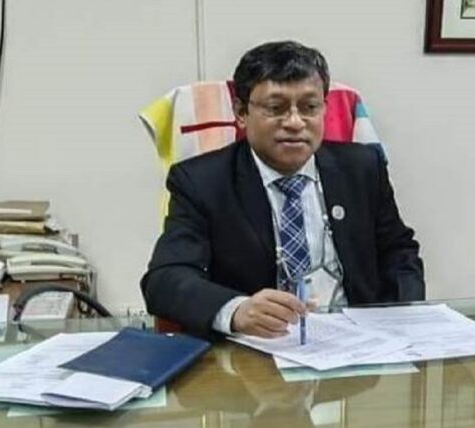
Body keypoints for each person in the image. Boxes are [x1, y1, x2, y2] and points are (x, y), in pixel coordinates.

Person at [141, 40, 424, 339]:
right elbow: (165, 279)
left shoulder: (362, 167)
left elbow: (399, 252)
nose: (294, 122)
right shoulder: (201, 181)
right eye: (276, 108)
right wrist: (236, 311)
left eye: (310, 107)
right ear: (241, 112)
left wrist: (398, 320)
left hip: (358, 345)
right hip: (257, 350)